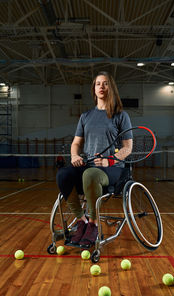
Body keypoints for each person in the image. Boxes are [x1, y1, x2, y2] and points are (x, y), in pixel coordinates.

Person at [56, 71, 132, 248]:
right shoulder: (85, 116)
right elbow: (76, 143)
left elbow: (128, 148)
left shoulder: (121, 116)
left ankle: (93, 225)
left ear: (111, 88)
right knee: (63, 175)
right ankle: (81, 221)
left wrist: (110, 160)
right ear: (94, 88)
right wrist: (74, 155)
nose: (101, 87)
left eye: (105, 83)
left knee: (90, 174)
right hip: (88, 166)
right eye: (98, 83)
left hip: (112, 169)